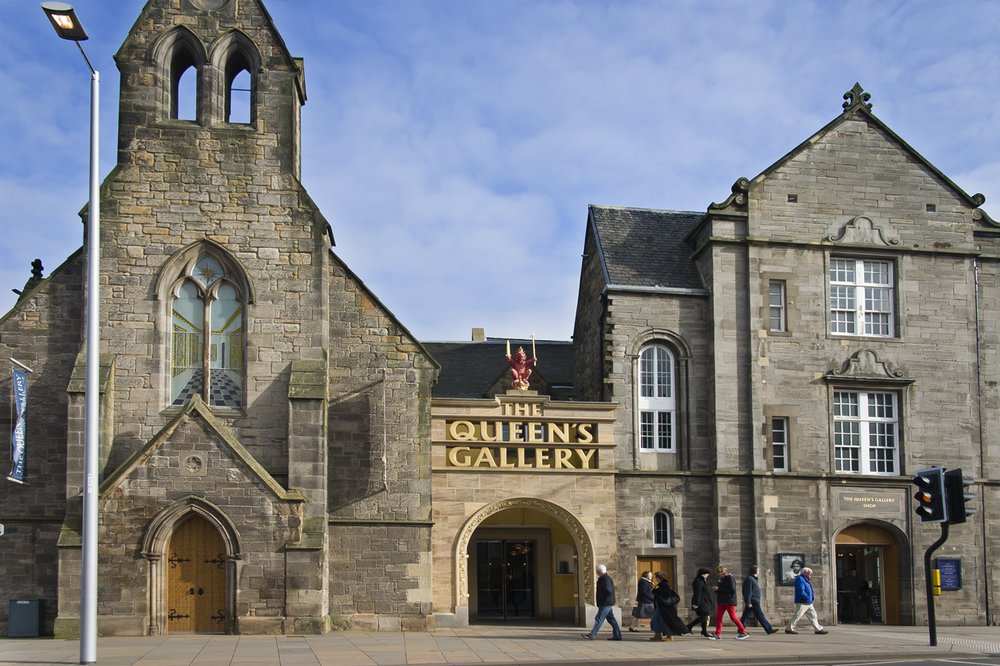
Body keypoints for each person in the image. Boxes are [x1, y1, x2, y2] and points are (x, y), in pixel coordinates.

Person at [582, 564, 622, 640]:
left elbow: (608, 590)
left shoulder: (605, 579)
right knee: (611, 619)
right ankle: (617, 635)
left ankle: (592, 635)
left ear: (598, 571)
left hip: (605, 603)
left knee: (599, 618)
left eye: (596, 571)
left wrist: (603, 598)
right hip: (607, 602)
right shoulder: (604, 578)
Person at [709, 565, 748, 640]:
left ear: (722, 572)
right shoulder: (721, 578)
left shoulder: (730, 578)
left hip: (729, 601)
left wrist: (719, 588)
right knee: (718, 618)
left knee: (733, 617)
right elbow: (722, 589)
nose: (718, 575)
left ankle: (743, 632)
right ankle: (717, 634)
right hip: (722, 601)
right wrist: (717, 590)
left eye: (719, 573)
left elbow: (732, 590)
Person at [785, 567, 828, 635]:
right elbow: (801, 590)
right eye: (810, 573)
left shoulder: (805, 579)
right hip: (803, 601)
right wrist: (807, 597)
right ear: (805, 572)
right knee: (797, 615)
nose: (811, 574)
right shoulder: (800, 579)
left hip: (808, 602)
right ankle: (789, 628)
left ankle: (818, 629)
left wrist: (810, 598)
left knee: (813, 615)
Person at [649, 571, 691, 641]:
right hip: (660, 607)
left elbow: (664, 592)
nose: (655, 579)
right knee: (656, 620)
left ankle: (670, 636)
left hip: (664, 607)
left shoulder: (664, 584)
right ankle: (657, 635)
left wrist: (655, 590)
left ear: (659, 578)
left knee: (666, 621)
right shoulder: (661, 584)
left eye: (656, 577)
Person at [740, 565, 777, 634]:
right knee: (760, 616)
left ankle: (741, 629)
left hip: (753, 600)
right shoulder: (750, 579)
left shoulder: (752, 579)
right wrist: (748, 602)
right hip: (753, 601)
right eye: (758, 570)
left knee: (746, 616)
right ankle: (769, 629)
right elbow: (748, 591)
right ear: (755, 571)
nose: (759, 571)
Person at [686, 568, 714, 637]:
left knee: (704, 617)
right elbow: (697, 593)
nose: (708, 575)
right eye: (707, 574)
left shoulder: (703, 580)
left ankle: (703, 631)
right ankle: (690, 626)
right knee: (704, 617)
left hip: (705, 601)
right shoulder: (698, 581)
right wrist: (696, 604)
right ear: (703, 574)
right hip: (701, 602)